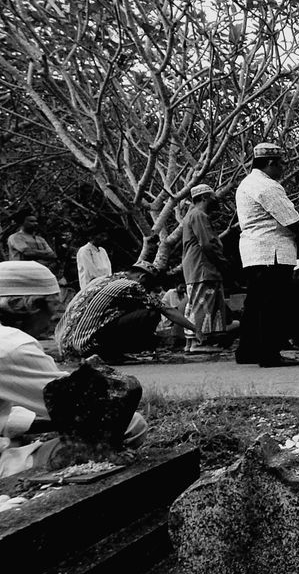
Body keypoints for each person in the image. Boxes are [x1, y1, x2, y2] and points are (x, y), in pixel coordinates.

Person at [0, 262, 146, 477]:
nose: (52, 322)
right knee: (132, 425)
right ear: (30, 305)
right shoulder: (13, 346)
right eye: (52, 309)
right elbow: (83, 406)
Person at [234, 142, 299, 368]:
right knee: (273, 304)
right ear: (271, 163)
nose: (283, 168)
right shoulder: (268, 186)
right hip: (272, 251)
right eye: (281, 164)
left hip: (253, 250)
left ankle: (247, 350)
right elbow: (290, 218)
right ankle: (269, 354)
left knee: (255, 303)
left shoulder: (246, 184)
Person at [56, 262, 202, 362]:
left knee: (137, 307)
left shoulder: (104, 279)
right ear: (142, 278)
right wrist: (195, 329)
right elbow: (167, 310)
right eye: (148, 286)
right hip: (84, 346)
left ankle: (110, 352)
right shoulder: (132, 285)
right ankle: (111, 354)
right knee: (151, 313)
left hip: (66, 345)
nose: (147, 290)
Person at [181, 184, 232, 352]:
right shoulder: (198, 215)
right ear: (204, 197)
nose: (216, 199)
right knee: (203, 304)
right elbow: (207, 243)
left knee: (195, 303)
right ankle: (199, 343)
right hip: (203, 267)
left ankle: (192, 343)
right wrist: (223, 262)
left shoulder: (191, 215)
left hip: (196, 268)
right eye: (213, 196)